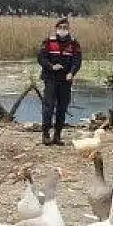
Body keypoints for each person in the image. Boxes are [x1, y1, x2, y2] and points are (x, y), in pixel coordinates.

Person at [37, 17, 82, 145]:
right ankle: (46, 135)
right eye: (60, 28)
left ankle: (57, 136)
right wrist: (51, 66)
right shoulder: (48, 41)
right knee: (49, 107)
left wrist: (72, 73)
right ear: (56, 29)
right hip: (50, 78)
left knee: (62, 108)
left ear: (68, 29)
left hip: (65, 80)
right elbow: (41, 58)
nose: (63, 30)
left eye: (65, 28)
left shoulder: (74, 43)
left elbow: (77, 61)